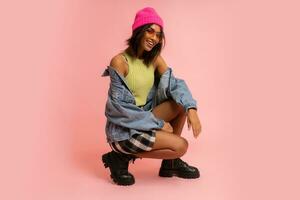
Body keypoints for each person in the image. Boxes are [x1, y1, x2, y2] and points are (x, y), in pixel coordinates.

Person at [101, 7, 202, 186]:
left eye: (159, 35)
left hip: (145, 119)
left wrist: (191, 108)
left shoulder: (154, 60)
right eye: (150, 31)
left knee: (178, 103)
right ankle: (119, 157)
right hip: (124, 130)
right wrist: (159, 124)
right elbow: (120, 110)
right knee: (181, 146)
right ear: (138, 31)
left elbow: (175, 84)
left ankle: (169, 165)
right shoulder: (120, 62)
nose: (154, 38)